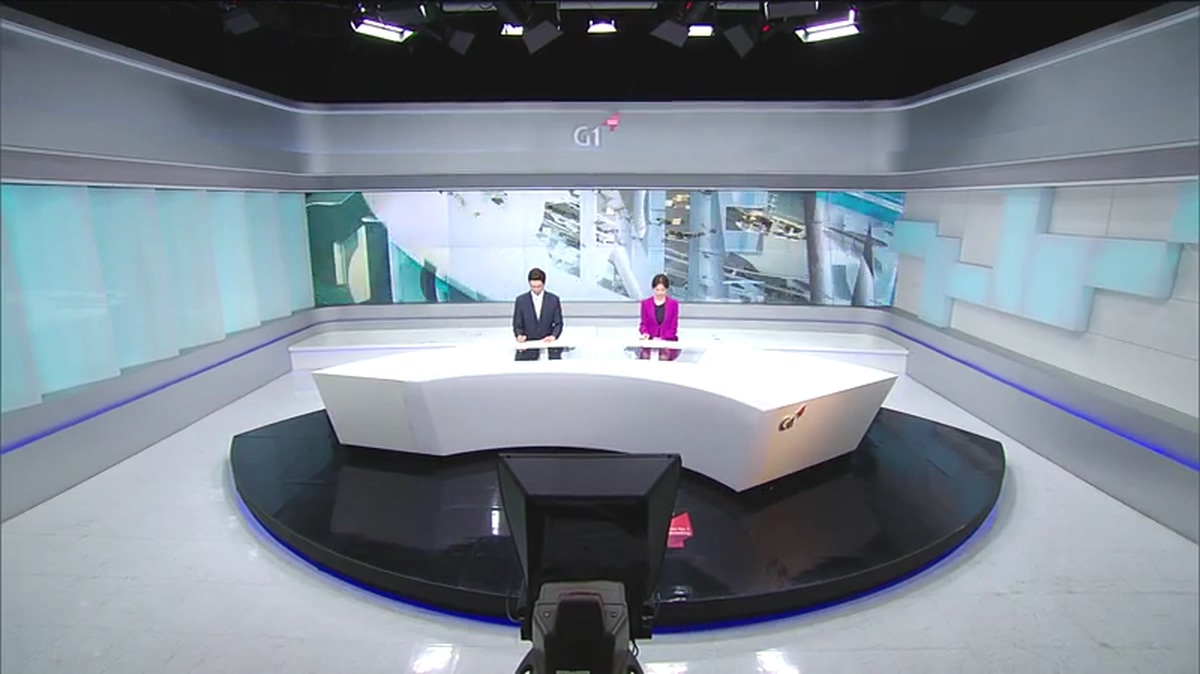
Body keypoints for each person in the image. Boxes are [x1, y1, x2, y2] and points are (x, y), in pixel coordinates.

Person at [513, 267, 564, 361]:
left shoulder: (553, 300)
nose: (536, 289)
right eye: (533, 286)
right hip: (527, 349)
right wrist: (519, 336)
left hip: (549, 347)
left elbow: (558, 323)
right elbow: (517, 324)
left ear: (544, 284)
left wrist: (553, 336)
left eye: (539, 286)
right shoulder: (521, 300)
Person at [638, 273, 680, 361]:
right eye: (657, 290)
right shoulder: (645, 304)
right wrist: (645, 333)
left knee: (664, 357)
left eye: (662, 290)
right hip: (650, 341)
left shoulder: (673, 304)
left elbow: (673, 327)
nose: (659, 293)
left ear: (667, 289)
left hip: (668, 342)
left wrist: (662, 339)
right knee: (645, 357)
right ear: (653, 289)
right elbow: (643, 324)